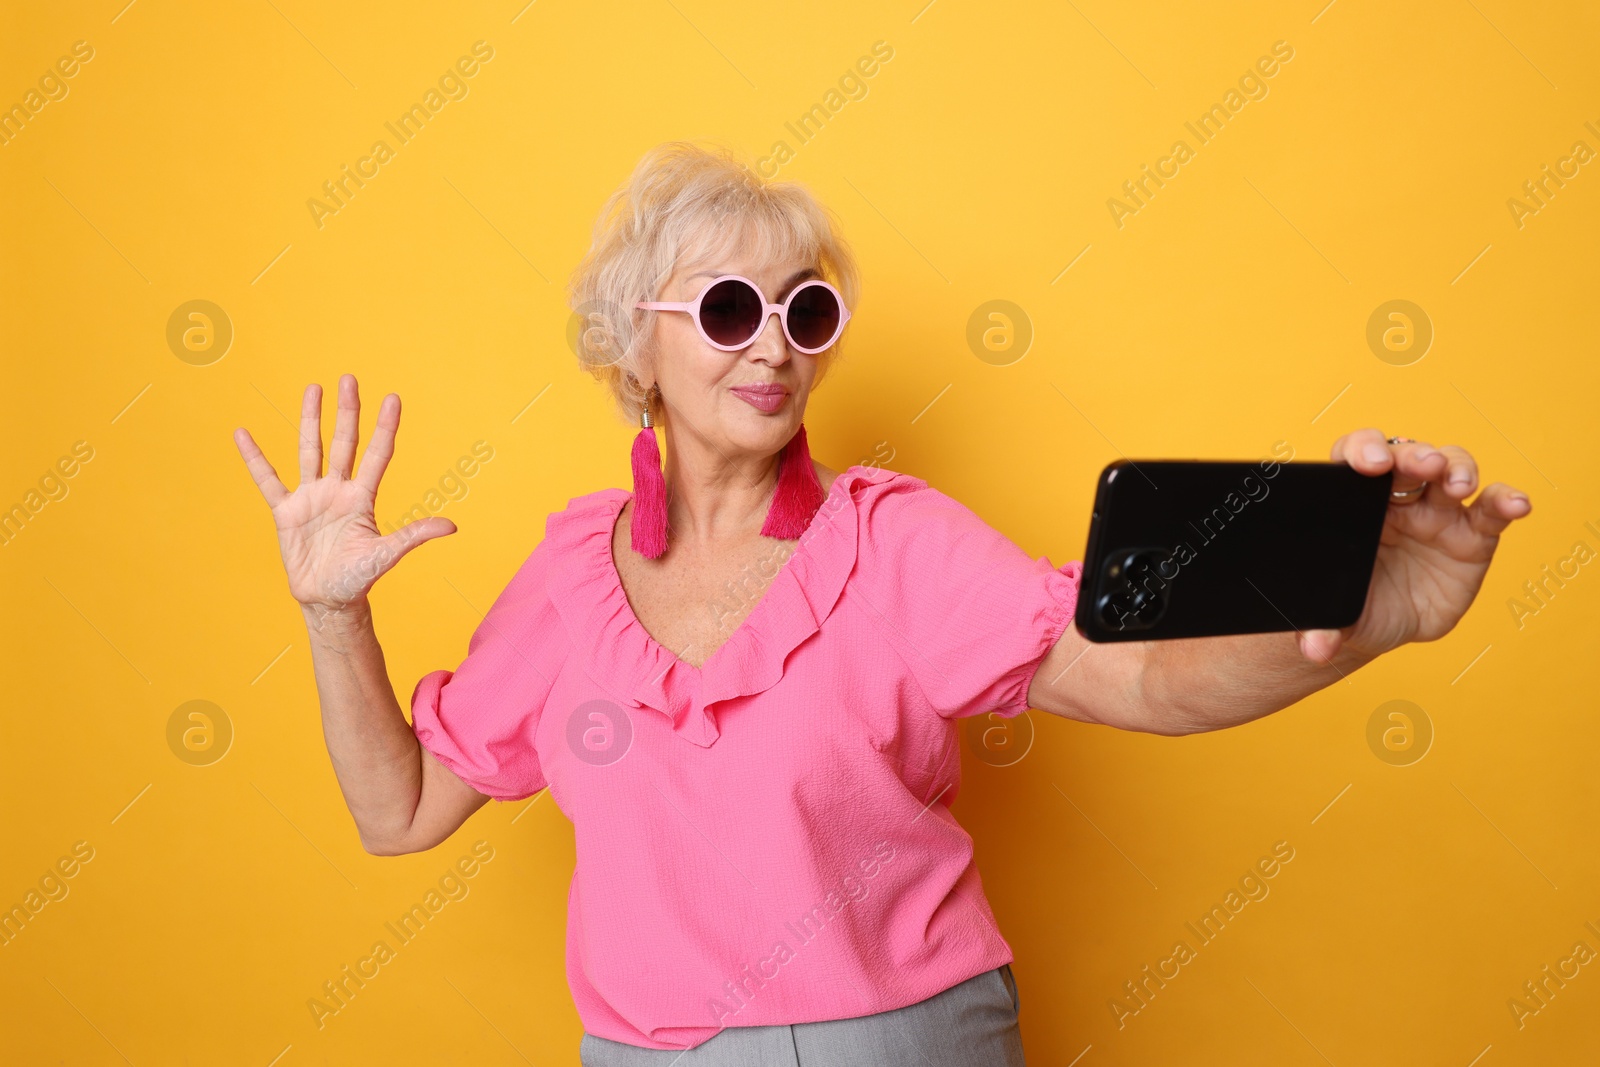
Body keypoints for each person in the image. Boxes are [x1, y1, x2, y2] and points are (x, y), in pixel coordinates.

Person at [231, 142, 1532, 1066]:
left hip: (908, 1045)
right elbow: (399, 812)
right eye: (731, 307)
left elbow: (1134, 680)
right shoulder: (565, 583)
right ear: (635, 346)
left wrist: (1364, 623)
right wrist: (332, 613)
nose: (774, 342)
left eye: (807, 309)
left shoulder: (894, 543)